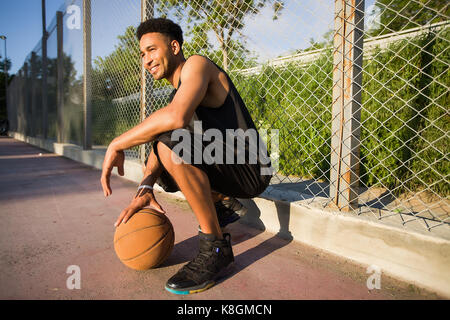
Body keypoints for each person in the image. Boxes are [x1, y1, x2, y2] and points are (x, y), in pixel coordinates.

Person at [100, 18, 272, 295]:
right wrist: (145, 185)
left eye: (152, 50)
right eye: (142, 54)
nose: (146, 59)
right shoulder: (179, 93)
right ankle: (223, 203)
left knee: (170, 139)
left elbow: (175, 118)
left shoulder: (197, 66)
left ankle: (215, 247)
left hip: (251, 168)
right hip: (227, 164)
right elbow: (163, 132)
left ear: (175, 46)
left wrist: (116, 144)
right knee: (164, 144)